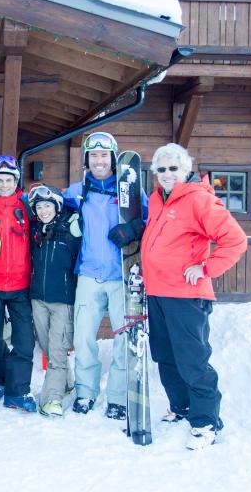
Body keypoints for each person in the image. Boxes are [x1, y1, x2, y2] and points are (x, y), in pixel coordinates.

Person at [141, 143, 247, 450]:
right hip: (158, 291)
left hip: (186, 296)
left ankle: (206, 422)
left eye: (174, 168)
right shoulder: (157, 199)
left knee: (192, 359)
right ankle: (182, 407)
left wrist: (206, 268)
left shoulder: (199, 199)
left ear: (186, 170)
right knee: (165, 356)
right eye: (161, 169)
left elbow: (235, 240)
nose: (167, 174)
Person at [61, 131, 145, 420]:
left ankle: (118, 397)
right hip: (88, 273)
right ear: (87, 159)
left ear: (113, 158)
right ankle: (85, 392)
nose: (99, 160)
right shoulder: (77, 192)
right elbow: (47, 205)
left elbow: (153, 218)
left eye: (104, 155)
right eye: (94, 155)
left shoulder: (129, 190)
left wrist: (134, 228)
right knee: (83, 337)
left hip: (121, 275)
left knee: (123, 338)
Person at [0, 155, 35, 412]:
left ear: (16, 181)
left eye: (8, 180)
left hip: (20, 286)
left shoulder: (27, 208)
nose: (4, 185)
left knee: (24, 341)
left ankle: (18, 391)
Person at [27, 185, 82, 418]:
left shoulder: (71, 227)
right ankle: (66, 383)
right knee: (49, 349)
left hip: (63, 301)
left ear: (57, 206)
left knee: (58, 352)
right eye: (39, 207)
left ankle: (52, 399)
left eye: (48, 206)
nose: (43, 211)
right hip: (38, 299)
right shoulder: (35, 230)